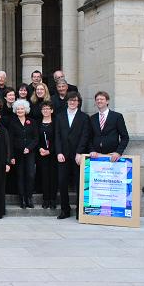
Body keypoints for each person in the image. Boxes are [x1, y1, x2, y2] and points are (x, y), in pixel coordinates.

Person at [54, 91, 90, 219]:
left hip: (78, 156)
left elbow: (85, 136)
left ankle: (80, 211)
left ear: (78, 102)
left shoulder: (84, 117)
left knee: (79, 183)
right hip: (63, 155)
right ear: (67, 102)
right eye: (70, 100)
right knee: (62, 183)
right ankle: (65, 210)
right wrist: (58, 152)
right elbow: (57, 136)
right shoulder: (59, 116)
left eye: (75, 100)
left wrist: (79, 153)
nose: (72, 102)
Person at [10, 99, 39, 209]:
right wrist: (11, 156)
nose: (20, 110)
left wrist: (29, 148)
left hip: (30, 153)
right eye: (18, 109)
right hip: (17, 153)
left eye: (22, 108)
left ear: (25, 109)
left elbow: (36, 138)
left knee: (30, 175)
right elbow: (11, 140)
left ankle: (29, 197)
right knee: (20, 175)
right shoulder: (12, 123)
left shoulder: (32, 121)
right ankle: (22, 198)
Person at [89, 91, 130, 162]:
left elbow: (125, 137)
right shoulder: (92, 118)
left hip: (112, 156)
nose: (99, 101)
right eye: (97, 99)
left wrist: (118, 152)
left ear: (107, 101)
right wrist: (91, 150)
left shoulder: (117, 116)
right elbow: (89, 137)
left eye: (101, 99)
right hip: (96, 156)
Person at [37, 101, 57, 209]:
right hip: (42, 154)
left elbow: (58, 138)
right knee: (44, 177)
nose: (46, 110)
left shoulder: (56, 122)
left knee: (53, 177)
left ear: (52, 110)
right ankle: (46, 199)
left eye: (48, 108)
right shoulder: (38, 123)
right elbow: (36, 138)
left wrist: (50, 150)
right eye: (44, 109)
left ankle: (53, 199)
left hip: (53, 154)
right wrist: (40, 148)